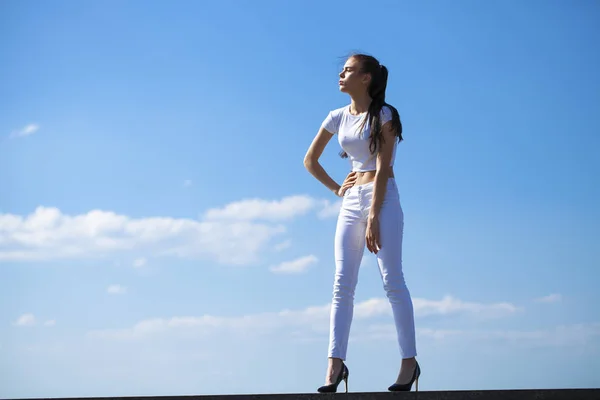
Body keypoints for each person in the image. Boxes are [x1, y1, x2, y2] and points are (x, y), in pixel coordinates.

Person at [303, 53, 420, 393]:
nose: (341, 74)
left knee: (392, 281)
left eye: (349, 70)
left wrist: (373, 215)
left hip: (383, 200)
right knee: (342, 284)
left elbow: (383, 168)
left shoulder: (384, 115)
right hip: (352, 202)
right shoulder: (337, 117)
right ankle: (334, 366)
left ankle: (408, 364)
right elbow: (310, 160)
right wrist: (339, 189)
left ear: (366, 78)